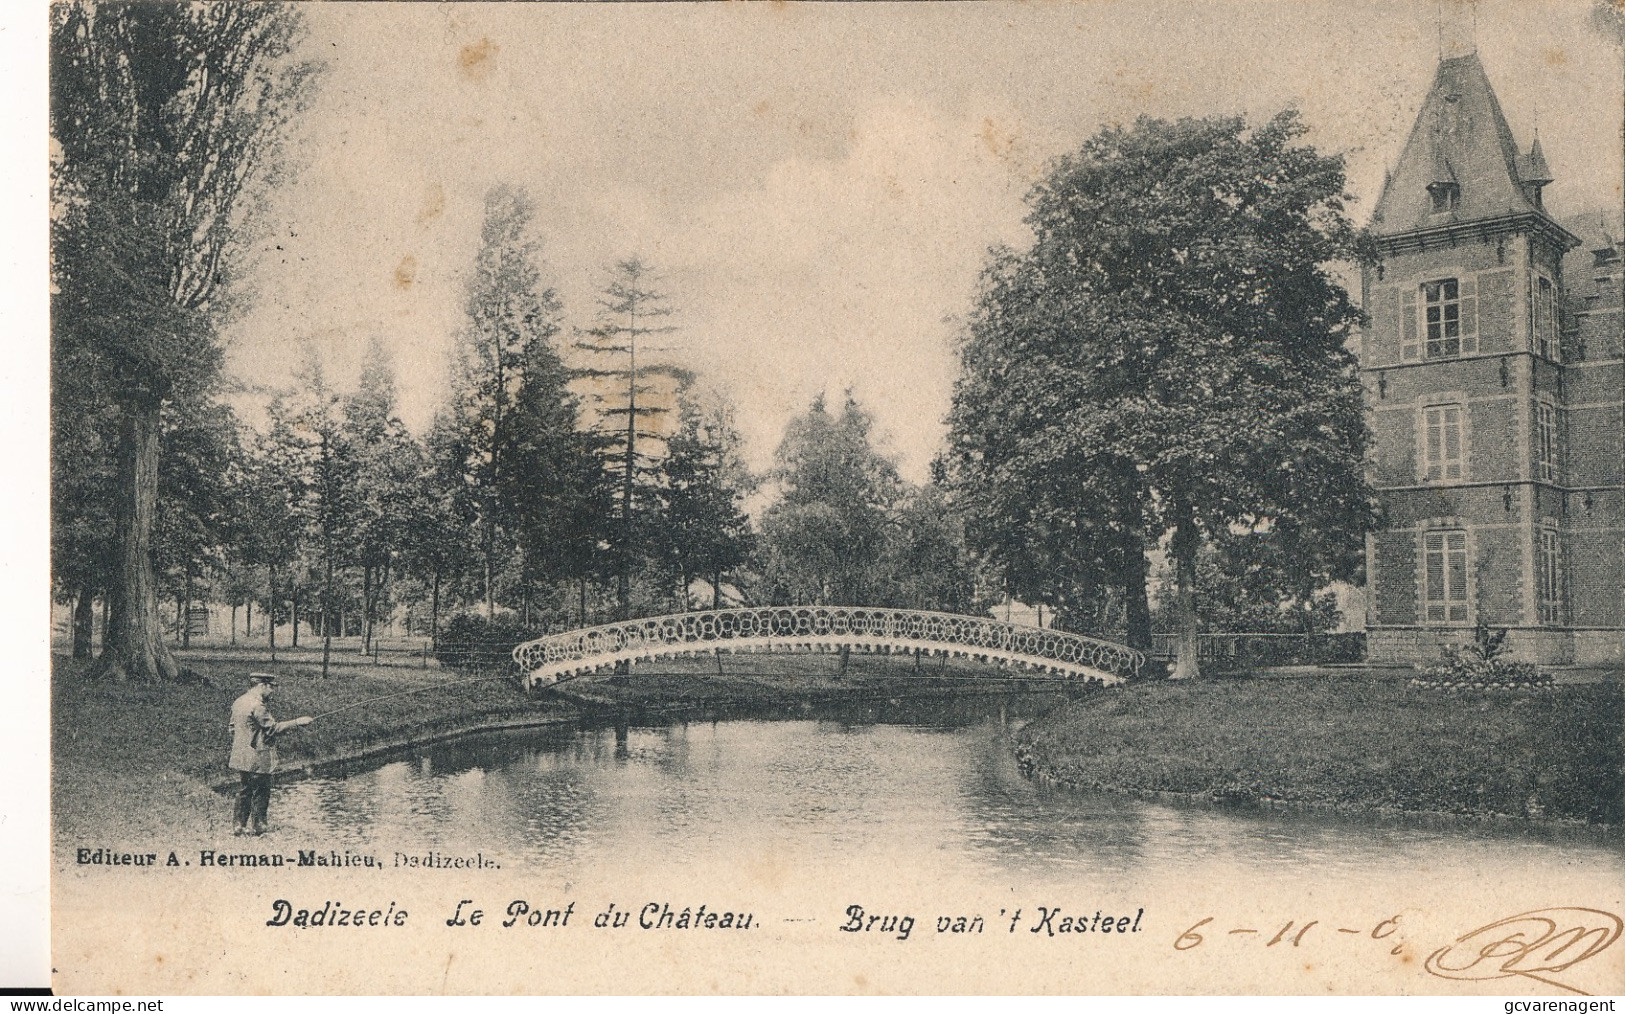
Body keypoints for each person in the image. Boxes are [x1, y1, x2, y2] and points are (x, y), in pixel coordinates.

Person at [228, 672, 313, 836]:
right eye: (271, 687)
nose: (272, 691)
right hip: (258, 755)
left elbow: (232, 728)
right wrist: (298, 722)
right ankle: (259, 825)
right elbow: (273, 729)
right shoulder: (258, 706)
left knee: (245, 788)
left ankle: (238, 825)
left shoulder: (239, 702)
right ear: (262, 686)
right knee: (262, 789)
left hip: (241, 755)